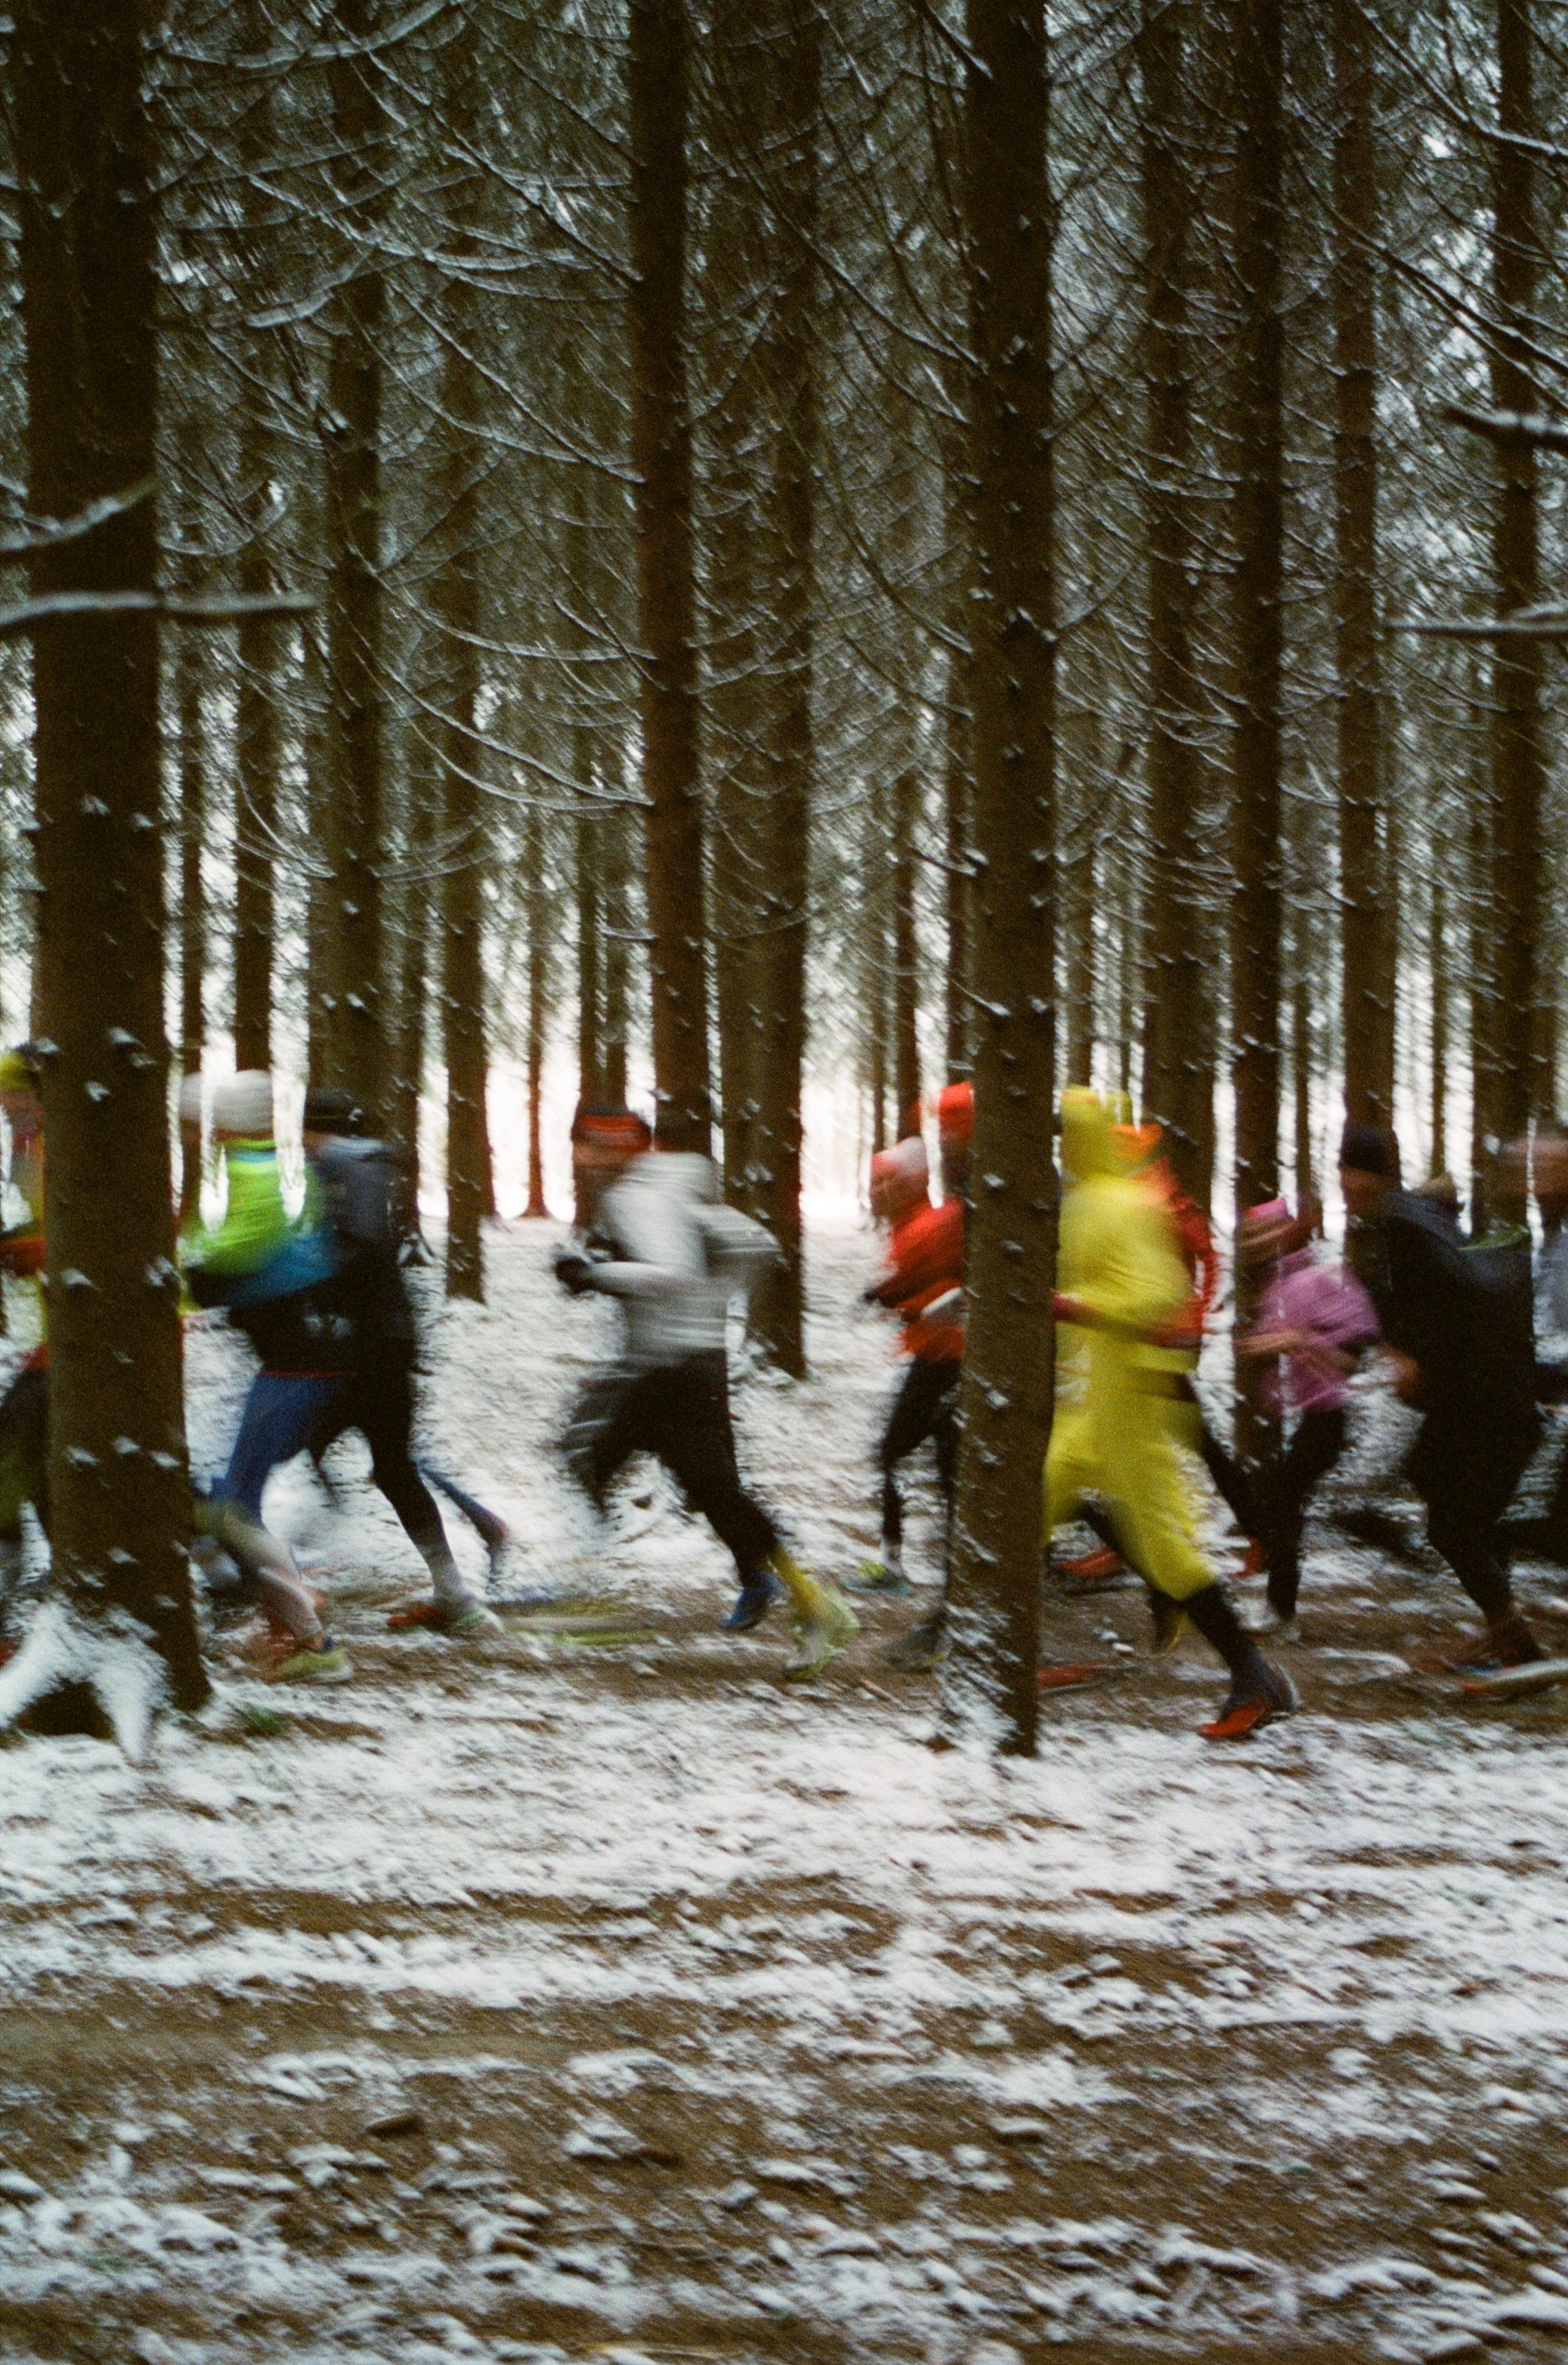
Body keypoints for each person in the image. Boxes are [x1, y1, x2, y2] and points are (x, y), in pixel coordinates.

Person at [555, 1105, 857, 1681]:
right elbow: (754, 1242)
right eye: (582, 1145)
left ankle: (595, 1599)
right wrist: (711, 1305)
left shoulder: (637, 1197)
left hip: (666, 1370)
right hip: (682, 1364)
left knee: (585, 1455)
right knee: (714, 1492)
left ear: (628, 1146)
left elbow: (670, 1273)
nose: (584, 1157)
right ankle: (812, 1603)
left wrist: (592, 1276)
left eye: (593, 1145)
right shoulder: (673, 1186)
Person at [1044, 1089, 1297, 1739]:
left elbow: (1157, 1295)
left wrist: (1074, 1308)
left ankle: (1253, 1675)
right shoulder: (1083, 1202)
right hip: (1098, 1397)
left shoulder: (1123, 1204)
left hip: (1137, 1400)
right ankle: (997, 1649)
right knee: (1030, 1497)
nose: (1063, 1147)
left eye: (1069, 1135)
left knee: (1164, 1546)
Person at [1338, 1118, 1545, 1669]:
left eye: (1351, 1177)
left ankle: (1511, 1636)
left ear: (1368, 1175)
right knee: (1437, 1486)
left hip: (1486, 1400)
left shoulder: (1405, 1227)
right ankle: (1502, 1628)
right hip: (1479, 1398)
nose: (1345, 1190)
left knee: (1452, 1523)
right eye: (1342, 1177)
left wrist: (1411, 1351)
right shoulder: (1403, 1221)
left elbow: (1460, 1294)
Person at [297, 1085, 494, 1634]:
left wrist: (310, 1287)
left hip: (370, 1346)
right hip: (382, 1341)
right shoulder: (355, 1167)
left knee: (304, 1446)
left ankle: (295, 1582)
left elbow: (360, 1251)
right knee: (386, 1465)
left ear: (317, 1130)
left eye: (306, 1132)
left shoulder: (344, 1169)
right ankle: (453, 1593)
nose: (303, 1143)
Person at [183, 1071, 351, 1683]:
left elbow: (236, 1253)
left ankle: (316, 1644)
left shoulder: (253, 1175)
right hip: (297, 1361)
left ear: (225, 1122)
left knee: (233, 1512)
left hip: (296, 1366)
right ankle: (286, 1610)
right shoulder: (278, 1165)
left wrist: (181, 1280)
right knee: (229, 1500)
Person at [1235, 1195, 1379, 1629]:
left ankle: (1281, 1608)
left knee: (1282, 1501)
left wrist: (1294, 1340)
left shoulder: (1318, 1280)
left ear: (1289, 1231)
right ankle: (1281, 1605)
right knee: (1282, 1500)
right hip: (1307, 1418)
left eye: (1268, 1232)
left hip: (1329, 1418)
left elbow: (1351, 1360)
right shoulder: (1276, 1284)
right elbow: (1282, 1344)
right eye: (1252, 1236)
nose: (1259, 1242)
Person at [855, 1130, 964, 1595]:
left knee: (893, 1455)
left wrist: (896, 1298)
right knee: (947, 1468)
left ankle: (896, 1566)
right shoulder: (916, 1225)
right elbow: (919, 1279)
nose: (877, 1193)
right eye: (873, 1183)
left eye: (886, 1183)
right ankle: (959, 1571)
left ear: (914, 1184)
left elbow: (931, 1277)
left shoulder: (932, 1225)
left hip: (944, 1362)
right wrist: (886, 1294)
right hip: (939, 1358)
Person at [0, 1045, 50, 1649]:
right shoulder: (29, 1150)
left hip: (68, 1345)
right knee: (33, 1474)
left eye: (15, 1094)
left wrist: (14, 1252)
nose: (7, 1107)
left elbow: (78, 1238)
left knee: (11, 1465)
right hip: (43, 1343)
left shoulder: (60, 1149)